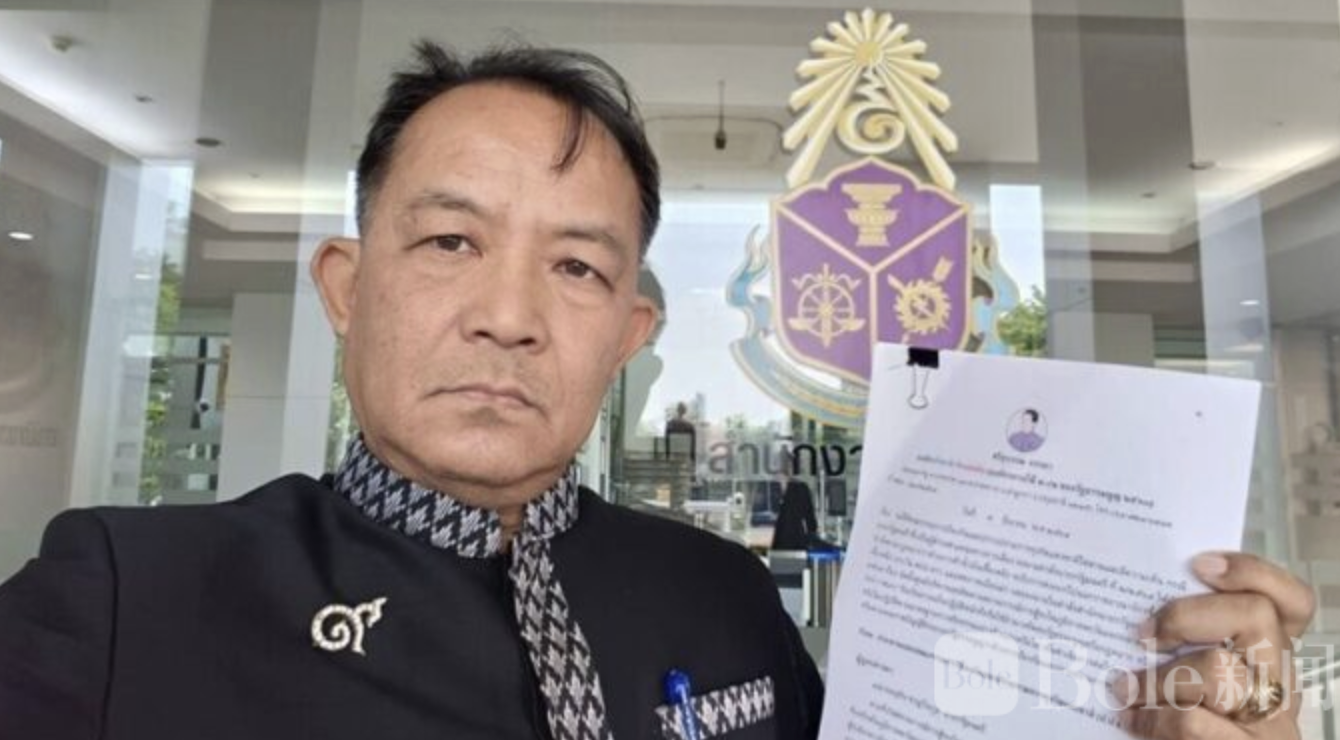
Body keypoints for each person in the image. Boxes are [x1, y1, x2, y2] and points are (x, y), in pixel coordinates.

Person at [0, 40, 1317, 740]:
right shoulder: (123, 595)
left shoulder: (723, 599)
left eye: (576, 267)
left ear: (630, 331)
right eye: (450, 241)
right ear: (347, 287)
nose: (509, 315)